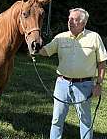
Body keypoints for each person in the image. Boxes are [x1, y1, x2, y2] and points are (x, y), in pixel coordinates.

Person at [39, 8, 107, 139]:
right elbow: (45, 51)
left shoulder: (94, 37)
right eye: (69, 18)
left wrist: (98, 84)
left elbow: (102, 63)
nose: (70, 21)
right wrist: (34, 47)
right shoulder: (60, 37)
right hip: (62, 84)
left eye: (74, 19)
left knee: (85, 121)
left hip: (84, 84)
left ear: (83, 23)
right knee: (57, 120)